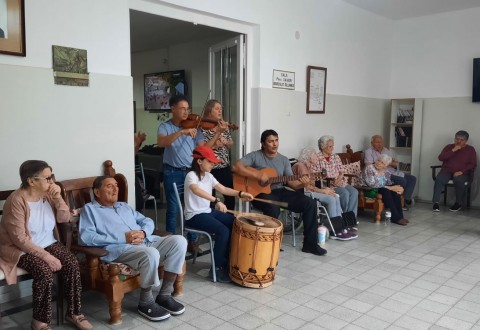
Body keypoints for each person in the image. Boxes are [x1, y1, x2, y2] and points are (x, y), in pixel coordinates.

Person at [79, 176, 187, 322]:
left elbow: (146, 220)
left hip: (146, 241)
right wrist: (123, 237)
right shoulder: (90, 210)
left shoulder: (123, 206)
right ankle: (146, 302)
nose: (115, 189)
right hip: (121, 249)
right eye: (109, 186)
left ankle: (165, 295)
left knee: (179, 241)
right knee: (151, 254)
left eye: (116, 185)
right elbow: (86, 237)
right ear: (97, 192)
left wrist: (143, 233)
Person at [0, 160, 93, 330]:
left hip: (48, 242)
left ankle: (74, 313)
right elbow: (20, 239)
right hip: (20, 249)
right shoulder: (16, 201)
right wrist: (46, 256)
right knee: (44, 270)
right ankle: (39, 321)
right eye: (47, 178)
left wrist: (58, 198)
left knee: (71, 263)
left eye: (51, 177)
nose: (52, 182)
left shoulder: (48, 194)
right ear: (31, 181)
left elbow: (64, 219)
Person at [231, 129, 327, 256]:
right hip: (259, 193)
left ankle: (310, 245)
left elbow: (292, 183)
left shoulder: (284, 160)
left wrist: (303, 183)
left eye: (276, 140)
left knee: (310, 203)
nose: (275, 144)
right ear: (263, 144)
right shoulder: (255, 156)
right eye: (270, 141)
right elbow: (235, 167)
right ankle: (270, 243)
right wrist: (257, 175)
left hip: (280, 191)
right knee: (273, 206)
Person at [184, 146, 253, 282]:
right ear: (199, 161)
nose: (213, 164)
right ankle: (216, 268)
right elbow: (196, 190)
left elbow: (223, 189)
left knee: (235, 222)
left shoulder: (209, 176)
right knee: (223, 231)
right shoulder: (191, 175)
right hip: (194, 216)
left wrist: (240, 194)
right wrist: (216, 201)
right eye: (210, 161)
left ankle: (228, 262)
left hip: (207, 212)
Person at [157, 94, 204, 253]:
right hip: (172, 172)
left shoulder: (194, 127)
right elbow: (162, 142)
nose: (186, 112)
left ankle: (192, 241)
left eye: (187, 109)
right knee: (174, 208)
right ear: (173, 109)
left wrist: (217, 134)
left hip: (190, 172)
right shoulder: (165, 126)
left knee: (191, 207)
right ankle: (169, 244)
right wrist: (182, 132)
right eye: (182, 108)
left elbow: (202, 148)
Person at [292, 147, 357, 240]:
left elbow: (312, 185)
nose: (317, 157)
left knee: (335, 195)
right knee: (330, 199)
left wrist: (325, 189)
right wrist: (323, 191)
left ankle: (340, 227)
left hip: (310, 190)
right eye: (314, 155)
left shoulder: (308, 166)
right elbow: (307, 187)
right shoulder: (301, 166)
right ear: (309, 156)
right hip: (303, 193)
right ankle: (334, 230)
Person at [364, 135, 417, 208]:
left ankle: (405, 200)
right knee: (402, 181)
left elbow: (395, 164)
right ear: (372, 143)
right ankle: (400, 202)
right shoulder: (368, 152)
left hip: (393, 171)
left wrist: (389, 163)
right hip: (383, 174)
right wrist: (383, 163)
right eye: (377, 142)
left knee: (412, 178)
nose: (380, 144)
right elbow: (368, 165)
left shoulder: (386, 151)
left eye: (381, 142)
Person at [312, 135, 359, 217]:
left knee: (354, 192)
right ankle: (343, 216)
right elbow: (314, 175)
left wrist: (339, 179)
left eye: (332, 146)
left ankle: (351, 217)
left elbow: (341, 171)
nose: (332, 148)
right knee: (344, 193)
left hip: (339, 182)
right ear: (323, 147)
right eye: (330, 146)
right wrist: (329, 181)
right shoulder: (317, 158)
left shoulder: (335, 156)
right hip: (327, 185)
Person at [202, 99, 236, 210]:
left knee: (230, 197)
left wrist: (227, 142)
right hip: (209, 168)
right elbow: (203, 148)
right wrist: (215, 144)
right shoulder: (202, 128)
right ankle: (211, 220)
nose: (220, 111)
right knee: (209, 198)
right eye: (217, 109)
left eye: (221, 109)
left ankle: (229, 219)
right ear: (209, 111)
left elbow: (231, 143)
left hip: (223, 166)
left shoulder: (223, 126)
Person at [432, 130, 477, 212]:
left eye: (461, 140)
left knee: (458, 179)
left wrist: (461, 172)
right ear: (454, 139)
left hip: (462, 173)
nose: (458, 141)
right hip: (447, 171)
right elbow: (441, 158)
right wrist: (453, 150)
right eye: (457, 139)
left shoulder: (470, 149)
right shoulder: (449, 147)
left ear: (466, 141)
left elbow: (472, 164)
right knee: (439, 179)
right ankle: (436, 202)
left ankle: (458, 203)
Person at [361, 154, 408, 225]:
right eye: (378, 160)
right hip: (368, 190)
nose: (379, 163)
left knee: (394, 192)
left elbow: (389, 182)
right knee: (386, 190)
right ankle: (396, 218)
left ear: (386, 165)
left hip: (380, 189)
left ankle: (400, 216)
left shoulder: (385, 171)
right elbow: (372, 184)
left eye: (382, 162)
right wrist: (390, 187)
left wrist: (397, 187)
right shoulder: (369, 168)